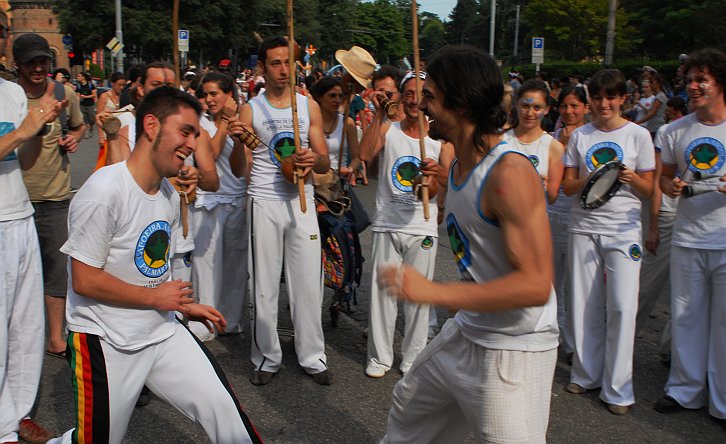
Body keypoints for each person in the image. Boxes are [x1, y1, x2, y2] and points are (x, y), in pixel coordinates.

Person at [48, 86, 262, 444]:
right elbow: (83, 280)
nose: (193, 144)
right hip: (106, 342)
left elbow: (155, 275)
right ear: (151, 126)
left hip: (162, 332)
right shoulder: (104, 192)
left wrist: (183, 305)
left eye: (195, 134)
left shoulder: (167, 193)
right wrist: (155, 299)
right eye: (186, 131)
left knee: (228, 419)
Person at [377, 45, 558, 443]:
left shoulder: (509, 173)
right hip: (469, 330)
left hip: (514, 349)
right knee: (411, 409)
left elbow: (535, 284)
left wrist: (435, 292)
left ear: (460, 105)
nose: (421, 106)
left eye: (430, 97)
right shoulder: (458, 163)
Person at [229, 36, 331, 386]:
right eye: (275, 63)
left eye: (289, 62)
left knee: (307, 283)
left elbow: (324, 160)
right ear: (262, 67)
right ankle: (266, 356)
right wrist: (239, 141)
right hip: (264, 200)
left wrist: (311, 158)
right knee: (264, 285)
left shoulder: (308, 107)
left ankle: (312, 355)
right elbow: (237, 168)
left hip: (301, 200)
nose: (284, 70)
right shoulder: (251, 109)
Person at [562, 69, 655, 415]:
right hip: (583, 226)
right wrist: (591, 177)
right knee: (584, 303)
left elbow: (649, 190)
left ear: (622, 99)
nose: (604, 104)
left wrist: (630, 179)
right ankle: (585, 375)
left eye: (611, 97)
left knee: (621, 306)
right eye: (598, 98)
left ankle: (618, 389)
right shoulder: (580, 136)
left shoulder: (639, 135)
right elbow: (567, 187)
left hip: (623, 230)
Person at [358, 68, 453, 378]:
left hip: (422, 226)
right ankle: (380, 357)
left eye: (421, 94)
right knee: (383, 294)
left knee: (418, 296)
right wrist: (376, 116)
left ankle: (413, 357)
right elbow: (364, 154)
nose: (415, 100)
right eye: (408, 93)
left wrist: (435, 175)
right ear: (400, 97)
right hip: (388, 222)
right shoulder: (389, 129)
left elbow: (451, 180)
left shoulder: (440, 138)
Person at [655, 48, 726, 425]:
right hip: (688, 237)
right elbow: (664, 177)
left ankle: (723, 400)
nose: (694, 86)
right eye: (691, 80)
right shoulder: (674, 130)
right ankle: (684, 390)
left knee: (724, 321)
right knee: (686, 316)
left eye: (703, 79)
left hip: (724, 239)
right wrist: (673, 185)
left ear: (719, 82)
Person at [0, 12, 61, 444]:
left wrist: (41, 124)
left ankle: (13, 419)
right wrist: (26, 127)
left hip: (19, 214)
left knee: (26, 327)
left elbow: (26, 160)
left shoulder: (11, 93)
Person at [15, 33, 86, 363]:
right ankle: (17, 338)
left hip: (56, 197)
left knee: (58, 272)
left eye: (43, 61)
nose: (39, 68)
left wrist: (73, 138)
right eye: (31, 62)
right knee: (18, 275)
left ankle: (55, 338)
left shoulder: (63, 92)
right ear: (18, 65)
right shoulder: (11, 97)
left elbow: (79, 126)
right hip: (16, 200)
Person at [188, 72, 248, 341]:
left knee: (235, 265)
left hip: (235, 198)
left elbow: (241, 163)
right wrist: (223, 123)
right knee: (205, 264)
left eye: (214, 94)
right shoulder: (198, 123)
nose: (209, 99)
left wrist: (235, 131)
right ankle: (205, 320)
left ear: (229, 96)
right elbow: (208, 156)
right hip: (207, 200)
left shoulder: (242, 121)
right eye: (206, 94)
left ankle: (230, 320)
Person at [635, 96, 687, 362]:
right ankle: (624, 342)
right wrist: (653, 226)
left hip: (696, 222)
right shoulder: (669, 132)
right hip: (667, 215)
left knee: (687, 294)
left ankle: (671, 349)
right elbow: (657, 181)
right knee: (647, 287)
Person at [550, 84, 589, 361]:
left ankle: (575, 344)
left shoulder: (590, 137)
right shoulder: (551, 138)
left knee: (576, 287)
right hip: (549, 214)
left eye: (575, 106)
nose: (569, 111)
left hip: (579, 217)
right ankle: (553, 337)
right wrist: (562, 143)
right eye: (565, 106)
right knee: (552, 283)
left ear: (585, 108)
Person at [505, 79, 564, 204]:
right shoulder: (501, 140)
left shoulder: (554, 147)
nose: (530, 113)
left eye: (537, 107)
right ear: (516, 105)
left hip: (534, 218)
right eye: (525, 106)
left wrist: (542, 185)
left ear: (547, 109)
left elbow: (552, 198)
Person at [76, 72, 96, 138]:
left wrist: (85, 97)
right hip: (82, 105)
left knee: (91, 119)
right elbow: (78, 95)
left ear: (83, 77)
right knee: (84, 119)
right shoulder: (78, 86)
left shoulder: (90, 85)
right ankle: (86, 132)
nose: (77, 78)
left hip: (90, 104)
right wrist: (77, 102)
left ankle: (91, 128)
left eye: (79, 76)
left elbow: (94, 94)